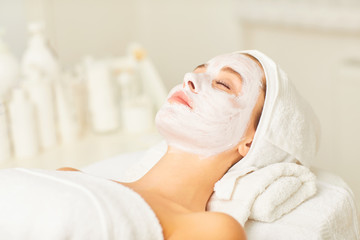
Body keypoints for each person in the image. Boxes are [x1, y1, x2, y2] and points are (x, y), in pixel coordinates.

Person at [59, 51, 266, 240]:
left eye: (223, 84)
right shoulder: (70, 178)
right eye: (197, 72)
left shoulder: (212, 231)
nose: (189, 79)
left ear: (250, 142)